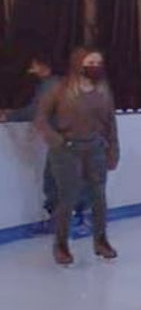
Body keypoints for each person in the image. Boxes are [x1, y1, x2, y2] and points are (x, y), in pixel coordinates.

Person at [34, 47, 119, 266]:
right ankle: (61, 245)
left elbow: (110, 123)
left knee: (99, 196)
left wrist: (113, 150)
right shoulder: (59, 89)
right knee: (68, 198)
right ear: (78, 64)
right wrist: (56, 140)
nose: (95, 67)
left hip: (95, 149)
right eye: (90, 63)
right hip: (66, 150)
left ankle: (101, 241)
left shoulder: (103, 90)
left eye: (98, 63)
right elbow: (41, 119)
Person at [0, 54, 90, 235]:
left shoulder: (51, 85)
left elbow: (36, 111)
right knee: (57, 180)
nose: (30, 70)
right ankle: (60, 220)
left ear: (44, 66)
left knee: (60, 181)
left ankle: (79, 220)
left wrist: (8, 116)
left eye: (34, 66)